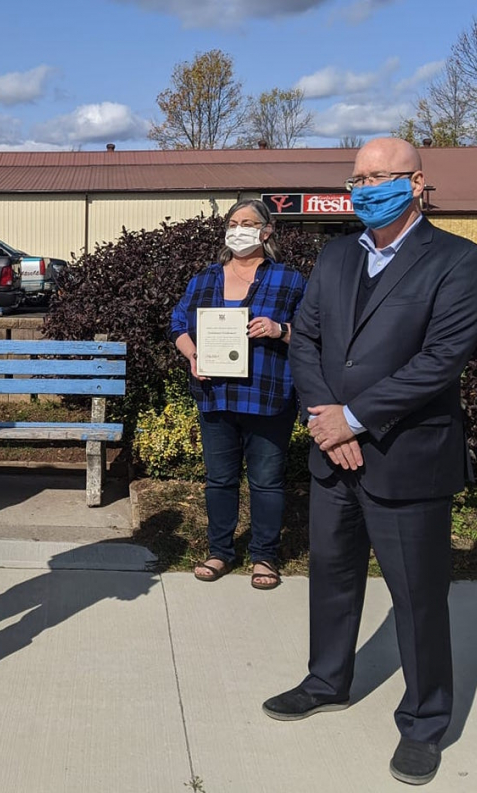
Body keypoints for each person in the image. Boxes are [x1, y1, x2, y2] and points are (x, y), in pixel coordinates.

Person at [262, 138, 477, 786]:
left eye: (380, 176)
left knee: (418, 598)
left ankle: (423, 722)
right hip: (335, 455)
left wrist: (353, 417)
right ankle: (327, 679)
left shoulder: (458, 261)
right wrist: (324, 416)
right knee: (332, 578)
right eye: (358, 177)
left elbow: (441, 360)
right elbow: (306, 337)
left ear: (417, 182)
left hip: (408, 458)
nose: (366, 187)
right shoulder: (336, 253)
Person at [170, 199, 306, 588]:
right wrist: (192, 354)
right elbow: (178, 323)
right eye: (232, 222)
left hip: (267, 395)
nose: (238, 229)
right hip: (215, 395)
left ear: (266, 231)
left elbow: (316, 330)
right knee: (219, 480)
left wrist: (280, 329)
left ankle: (265, 556)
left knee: (265, 481)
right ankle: (220, 551)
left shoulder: (290, 281)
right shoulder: (203, 280)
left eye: (248, 223)